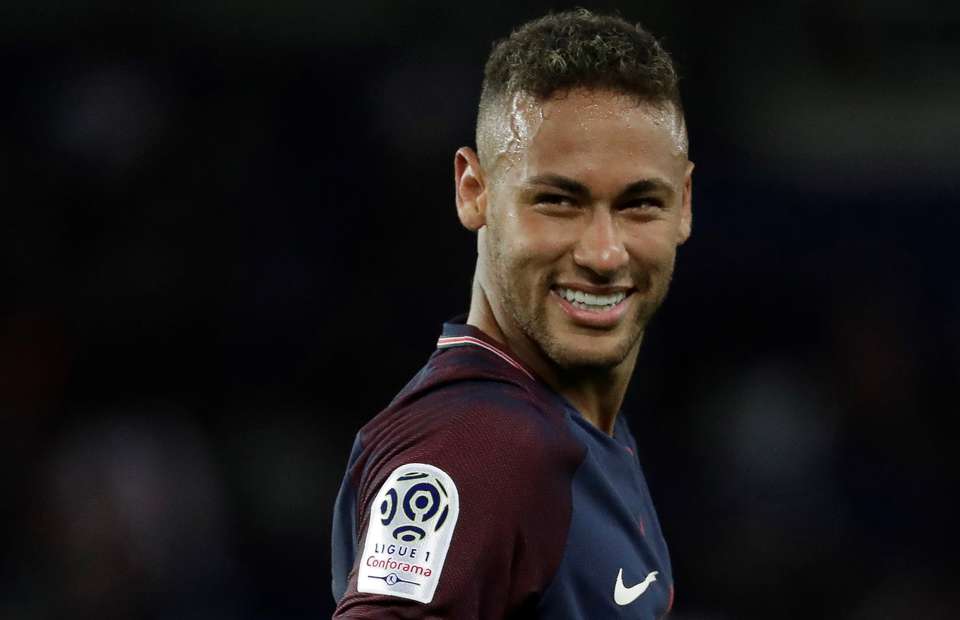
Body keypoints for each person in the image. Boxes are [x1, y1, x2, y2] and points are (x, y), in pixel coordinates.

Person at [331, 9, 692, 619]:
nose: (603, 253)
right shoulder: (480, 445)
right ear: (474, 191)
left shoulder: (570, 429)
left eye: (639, 204)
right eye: (557, 201)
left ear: (684, 205)